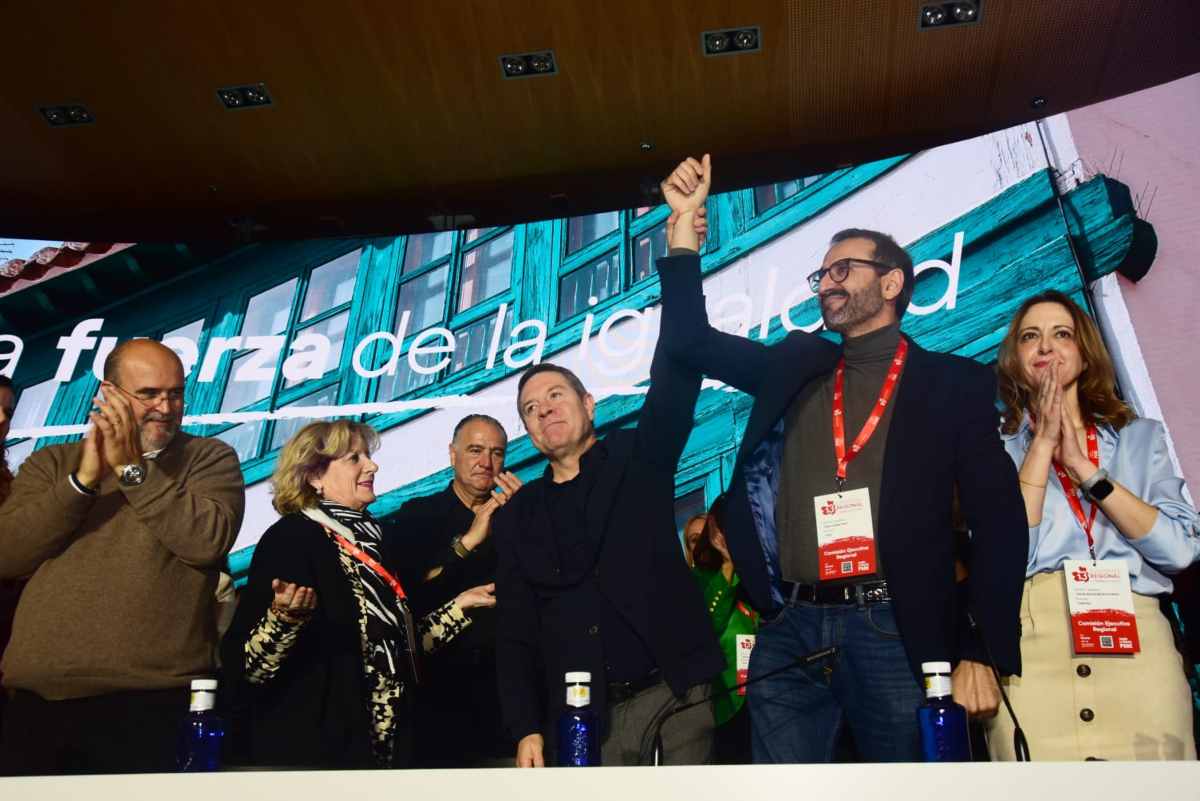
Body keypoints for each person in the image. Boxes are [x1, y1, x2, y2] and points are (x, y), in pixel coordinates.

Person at [655, 155, 1028, 763]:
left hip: (896, 629)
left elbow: (1002, 524)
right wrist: (680, 230)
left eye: (843, 269)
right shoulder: (798, 366)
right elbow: (688, 343)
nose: (826, 282)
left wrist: (979, 649)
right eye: (821, 274)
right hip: (790, 628)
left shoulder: (951, 384)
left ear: (891, 283)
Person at [0, 340, 245, 775]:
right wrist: (83, 481)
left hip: (150, 701)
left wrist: (133, 469)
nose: (166, 408)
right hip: (34, 703)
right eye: (149, 394)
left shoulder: (208, 458)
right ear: (108, 393)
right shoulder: (51, 463)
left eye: (176, 393)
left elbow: (206, 540)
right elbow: (8, 554)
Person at [986, 290, 1199, 761]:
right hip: (1030, 656)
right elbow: (1006, 558)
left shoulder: (1140, 438)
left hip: (1139, 649)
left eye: (1061, 334)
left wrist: (1086, 470)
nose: (1045, 347)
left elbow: (1180, 551)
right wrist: (1040, 447)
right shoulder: (991, 450)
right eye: (1030, 337)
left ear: (1084, 354)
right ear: (1015, 359)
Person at [221, 420, 496, 769]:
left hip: (385, 751)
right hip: (319, 757)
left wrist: (461, 606)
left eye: (368, 456)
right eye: (355, 458)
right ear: (314, 476)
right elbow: (249, 669)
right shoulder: (291, 538)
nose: (372, 465)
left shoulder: (375, 540)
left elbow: (398, 648)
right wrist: (284, 619)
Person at [495, 357, 725, 766]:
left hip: (676, 694)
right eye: (530, 409)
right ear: (529, 434)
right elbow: (515, 630)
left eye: (554, 396)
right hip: (584, 721)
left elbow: (677, 378)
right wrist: (525, 727)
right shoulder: (519, 516)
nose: (543, 409)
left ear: (588, 404)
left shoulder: (636, 455)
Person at [390, 413, 522, 768]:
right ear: (452, 454)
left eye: (496, 453)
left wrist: (530, 520)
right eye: (475, 450)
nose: (486, 462)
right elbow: (408, 592)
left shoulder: (516, 516)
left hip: (507, 700)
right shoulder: (417, 516)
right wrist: (468, 542)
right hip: (439, 701)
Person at [691, 495, 758, 764]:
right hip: (724, 706)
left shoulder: (754, 574)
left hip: (763, 697)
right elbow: (708, 626)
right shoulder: (702, 581)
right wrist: (728, 566)